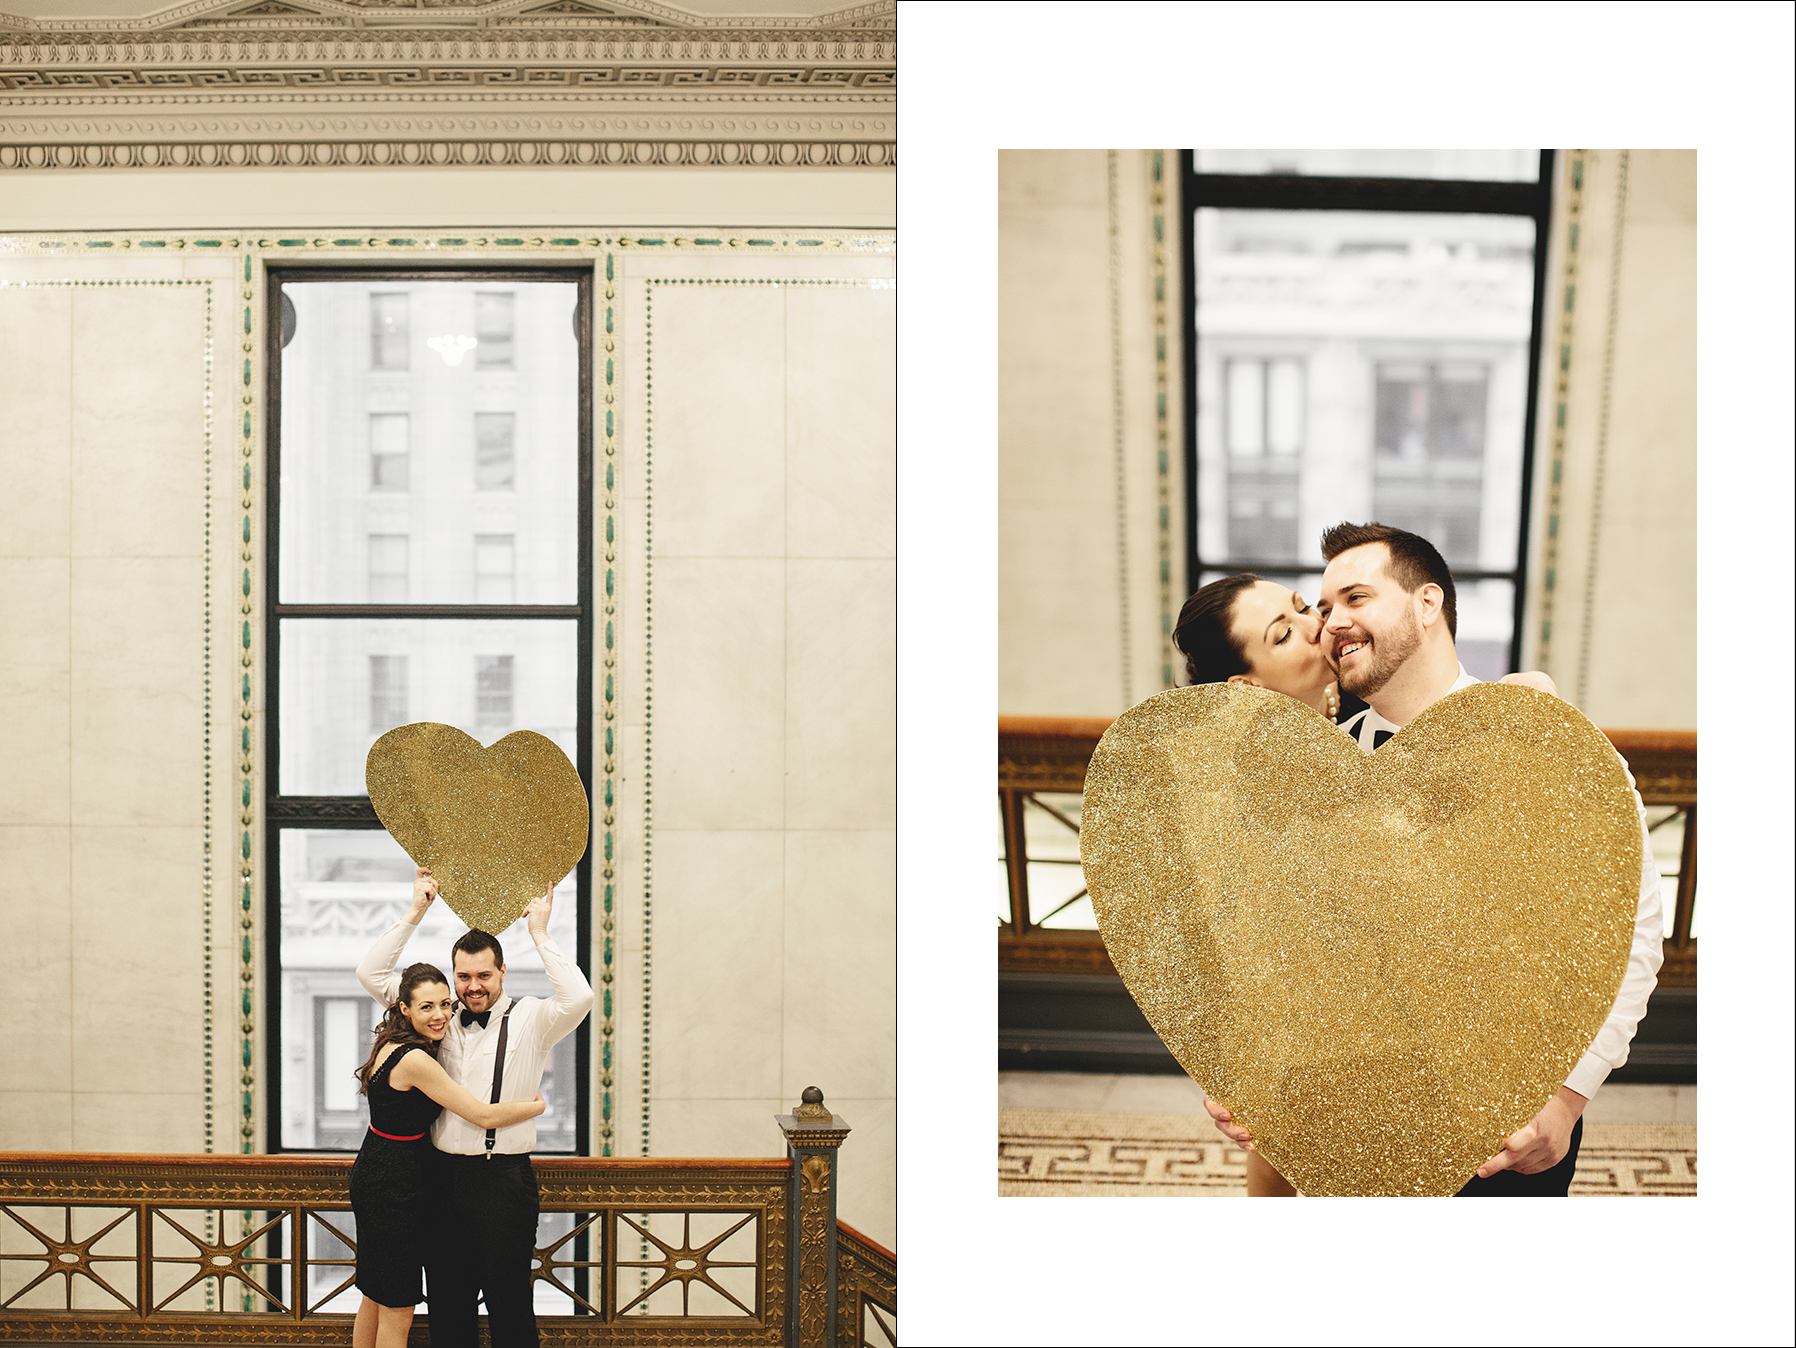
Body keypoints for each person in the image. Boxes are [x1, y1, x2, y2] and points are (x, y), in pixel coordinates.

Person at [1193, 523, 1664, 1196]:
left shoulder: (1539, 736)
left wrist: (1567, 1099)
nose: (1330, 623)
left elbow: (1628, 928)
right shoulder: (1318, 774)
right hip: (1350, 1128)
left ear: (1427, 603)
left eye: (1356, 598)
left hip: (1499, 1125)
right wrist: (1257, 1080)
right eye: (1322, 608)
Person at [358, 868, 594, 1347]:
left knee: (510, 1304)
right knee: (448, 1306)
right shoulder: (437, 1014)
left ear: (502, 972)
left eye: (484, 975)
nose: (473, 986)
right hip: (438, 1179)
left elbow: (580, 997)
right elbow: (372, 974)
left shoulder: (533, 1018)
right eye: (463, 977)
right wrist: (416, 911)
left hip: (502, 1180)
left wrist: (540, 933)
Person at [348, 959, 546, 1348]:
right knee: (398, 1308)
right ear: (404, 1008)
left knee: (375, 1295)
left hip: (378, 1172)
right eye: (427, 1007)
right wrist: (536, 1107)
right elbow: (482, 1115)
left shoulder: (392, 1042)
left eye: (445, 1004)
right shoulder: (416, 1060)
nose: (440, 1015)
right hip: (394, 1186)